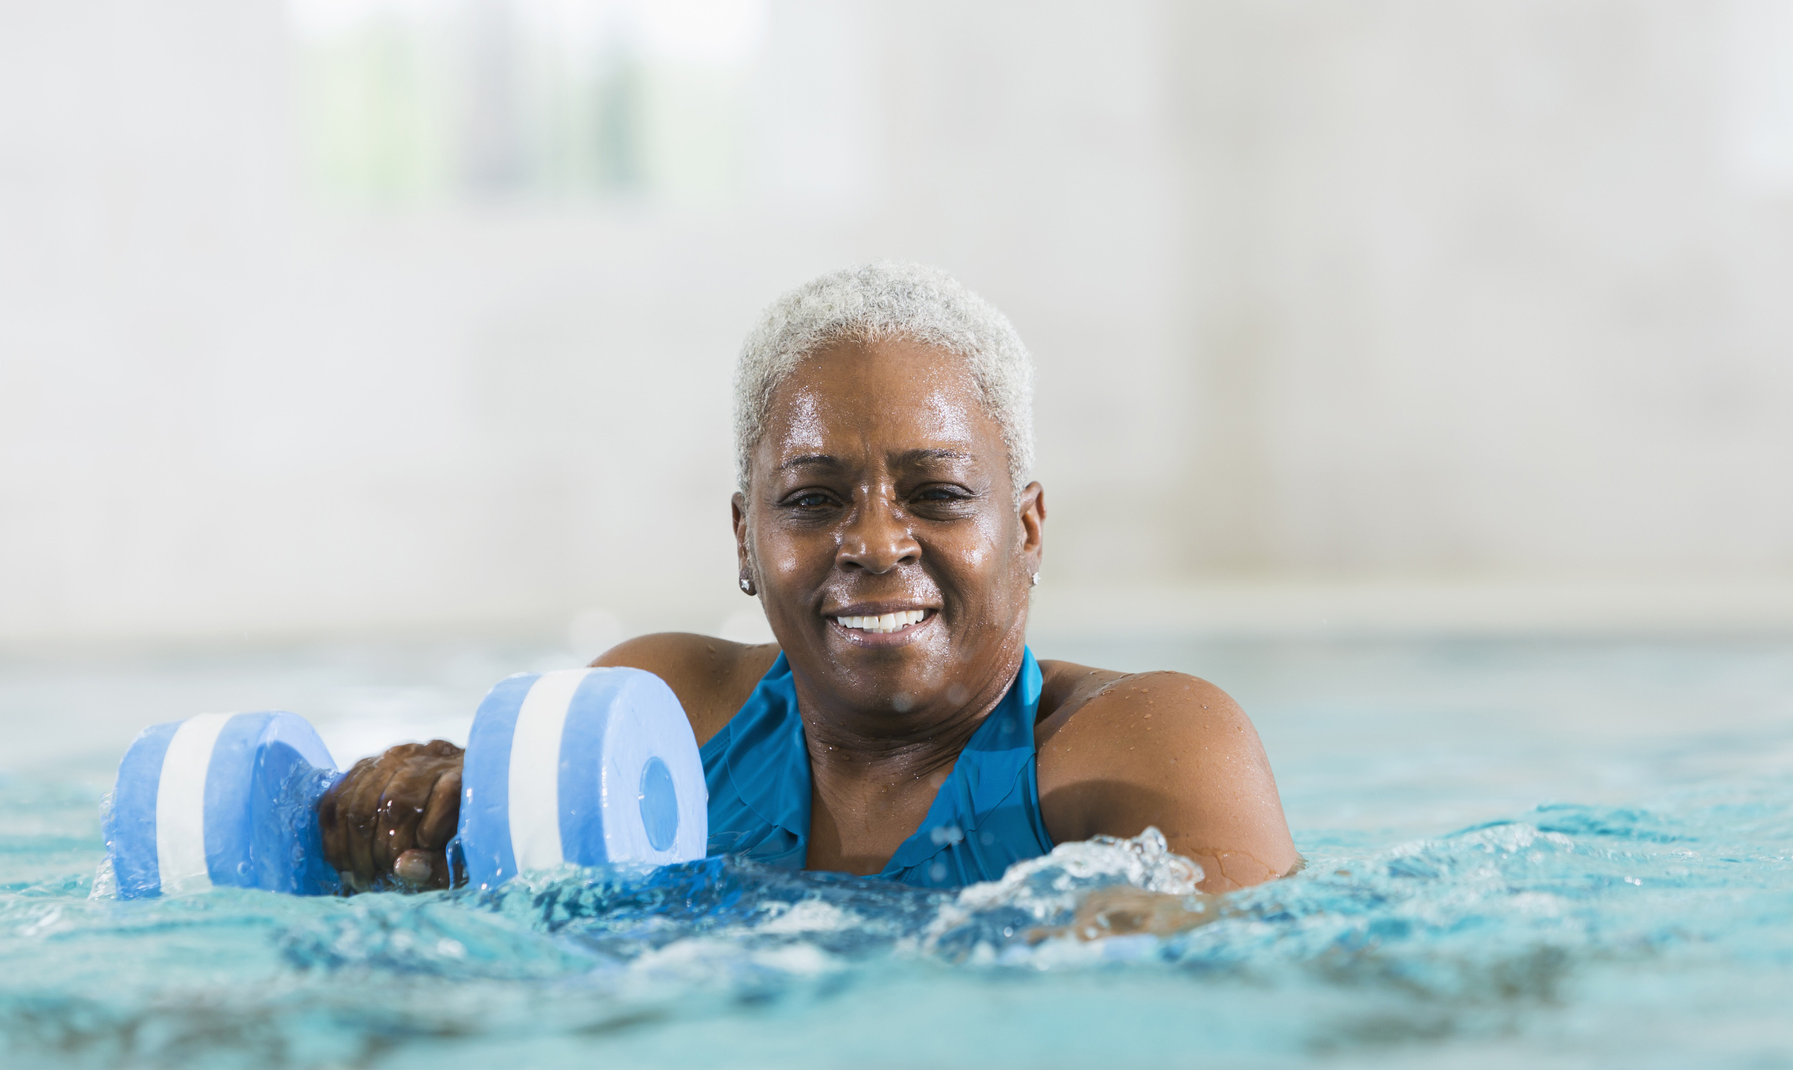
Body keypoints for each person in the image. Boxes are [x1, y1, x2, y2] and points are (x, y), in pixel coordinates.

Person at [318, 263, 1297, 902]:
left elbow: (1252, 991)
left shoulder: (1149, 746)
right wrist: (431, 805)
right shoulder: (660, 709)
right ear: (746, 537)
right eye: (815, 498)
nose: (874, 542)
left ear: (1029, 526)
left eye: (939, 492)